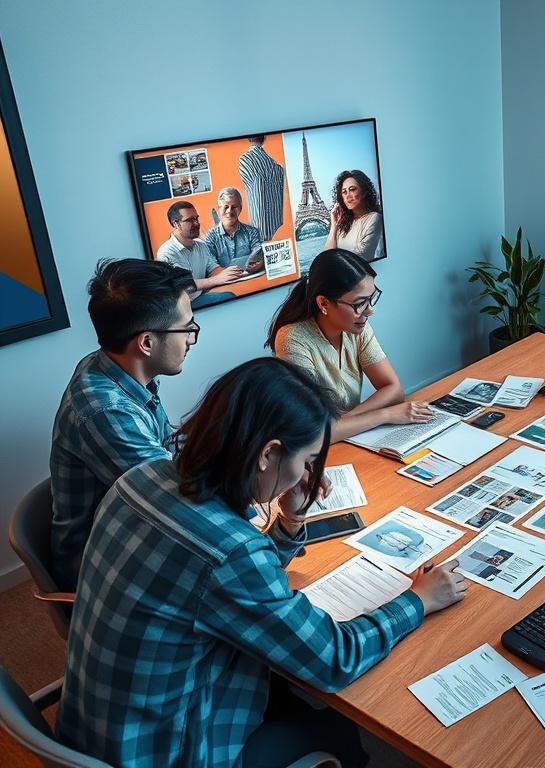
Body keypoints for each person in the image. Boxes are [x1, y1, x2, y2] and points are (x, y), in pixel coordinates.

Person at [55, 358, 468, 767]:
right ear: (268, 454)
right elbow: (333, 659)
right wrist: (418, 600)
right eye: (307, 460)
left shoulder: (140, 476)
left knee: (282, 687)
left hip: (96, 732)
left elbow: (224, 583)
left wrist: (289, 521)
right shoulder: (232, 552)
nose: (306, 474)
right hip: (168, 753)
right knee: (339, 725)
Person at [49, 259, 198, 591]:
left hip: (138, 524)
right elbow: (176, 503)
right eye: (187, 327)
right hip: (104, 565)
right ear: (146, 343)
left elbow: (167, 452)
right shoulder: (105, 410)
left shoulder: (110, 365)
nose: (191, 337)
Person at [267, 249, 433, 441]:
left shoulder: (356, 326)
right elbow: (314, 430)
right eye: (360, 303)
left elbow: (393, 389)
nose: (370, 311)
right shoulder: (292, 339)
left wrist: (344, 421)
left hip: (347, 437)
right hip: (307, 452)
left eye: (372, 298)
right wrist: (387, 414)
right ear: (324, 303)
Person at [156, 201, 242, 306]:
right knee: (229, 297)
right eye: (190, 220)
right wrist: (217, 280)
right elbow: (184, 286)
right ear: (176, 224)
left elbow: (213, 269)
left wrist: (234, 272)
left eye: (196, 218)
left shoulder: (201, 245)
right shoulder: (167, 252)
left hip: (199, 296)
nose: (196, 223)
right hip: (181, 307)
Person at [324, 169, 383, 260]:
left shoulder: (374, 218)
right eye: (344, 192)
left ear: (363, 192)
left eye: (352, 189)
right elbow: (327, 256)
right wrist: (334, 225)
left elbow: (362, 256)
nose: (348, 196)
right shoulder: (343, 224)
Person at [206, 186, 265, 271]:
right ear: (219, 209)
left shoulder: (252, 232)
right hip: (224, 281)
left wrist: (258, 262)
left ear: (240, 209)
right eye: (225, 207)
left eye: (234, 207)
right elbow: (210, 264)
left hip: (250, 277)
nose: (229, 211)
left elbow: (258, 254)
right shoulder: (211, 237)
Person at [239, 134, 285, 241]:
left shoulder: (245, 159)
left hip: (259, 230)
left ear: (249, 138)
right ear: (264, 138)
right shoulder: (278, 167)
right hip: (278, 231)